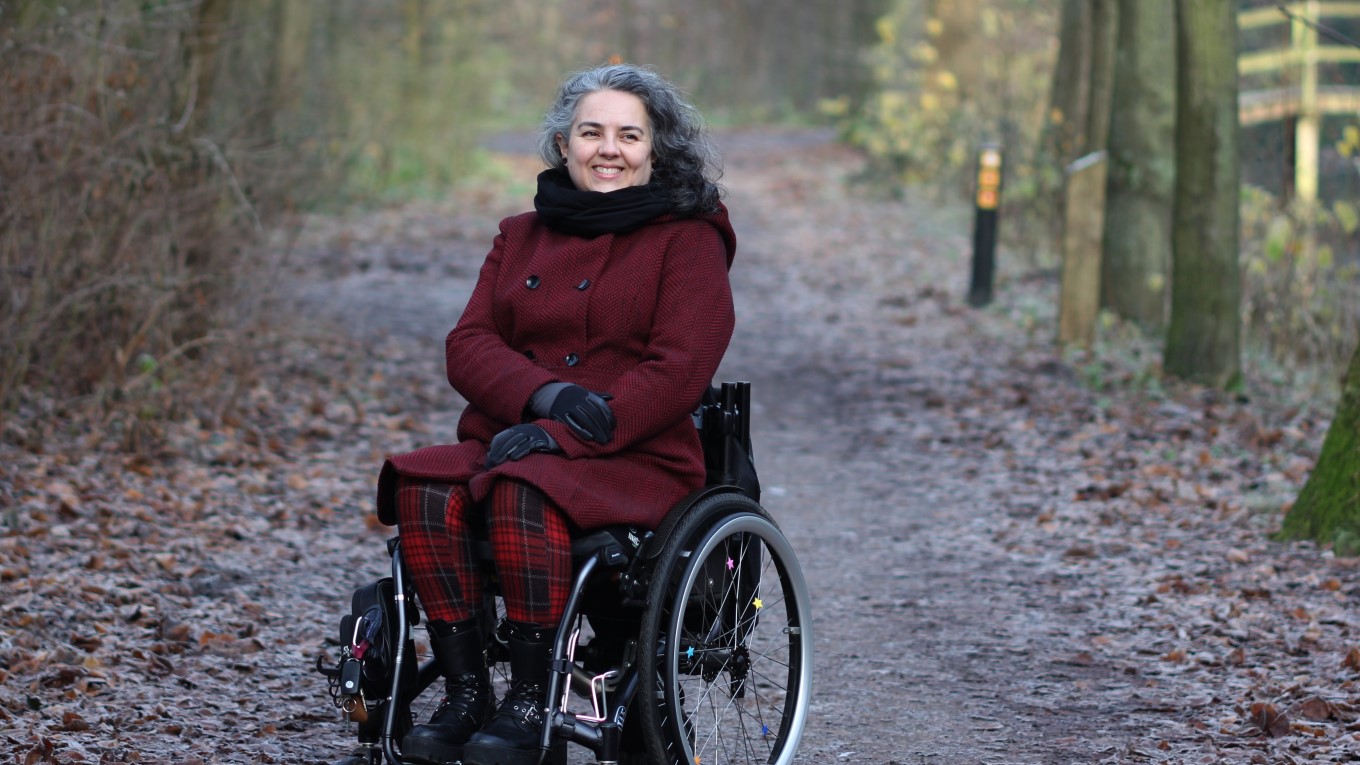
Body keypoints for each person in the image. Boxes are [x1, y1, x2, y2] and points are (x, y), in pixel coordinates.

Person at [371, 63, 736, 765]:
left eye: (629, 135)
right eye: (590, 131)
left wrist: (568, 427)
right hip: (516, 433)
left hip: (632, 455)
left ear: (656, 149)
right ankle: (467, 689)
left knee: (524, 486)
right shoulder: (519, 233)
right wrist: (545, 398)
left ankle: (533, 696)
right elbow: (468, 343)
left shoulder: (689, 238)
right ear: (562, 144)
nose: (609, 148)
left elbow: (680, 367)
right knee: (420, 482)